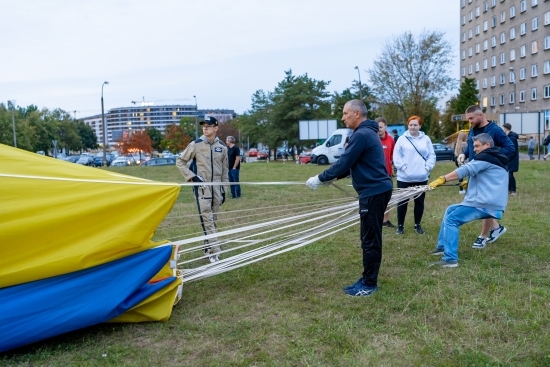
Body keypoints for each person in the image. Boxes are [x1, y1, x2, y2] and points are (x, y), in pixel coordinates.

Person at [305, 100, 393, 297]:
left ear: (356, 113)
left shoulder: (361, 134)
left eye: (345, 114)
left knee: (370, 239)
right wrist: (335, 177)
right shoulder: (365, 133)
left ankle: (369, 284)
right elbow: (355, 163)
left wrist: (320, 177)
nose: (343, 117)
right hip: (374, 191)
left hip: (374, 192)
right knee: (368, 237)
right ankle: (367, 278)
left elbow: (344, 162)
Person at [428, 133, 509, 267]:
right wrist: (470, 183)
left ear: (487, 145)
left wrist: (443, 178)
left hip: (483, 203)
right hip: (493, 202)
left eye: (477, 146)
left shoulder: (486, 157)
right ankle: (442, 246)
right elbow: (490, 178)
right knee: (450, 210)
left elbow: (466, 169)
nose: (475, 149)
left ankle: (450, 259)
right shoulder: (496, 158)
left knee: (452, 220)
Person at [457, 105, 514, 247]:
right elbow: (473, 147)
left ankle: (483, 236)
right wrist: (465, 154)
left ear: (480, 115)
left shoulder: (495, 130)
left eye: (471, 118)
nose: (469, 121)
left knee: (485, 204)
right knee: (476, 202)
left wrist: (494, 159)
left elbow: (510, 148)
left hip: (490, 173)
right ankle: (496, 228)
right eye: (468, 119)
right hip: (476, 171)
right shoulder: (473, 129)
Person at [176, 117, 228, 263]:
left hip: (216, 189)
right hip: (202, 189)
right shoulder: (196, 145)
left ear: (216, 128)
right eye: (204, 126)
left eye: (208, 126)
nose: (205, 128)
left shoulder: (222, 147)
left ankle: (208, 247)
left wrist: (224, 190)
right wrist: (192, 177)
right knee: (207, 219)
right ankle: (214, 251)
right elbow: (180, 162)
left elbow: (225, 171)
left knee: (213, 219)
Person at [392, 115, 436, 235]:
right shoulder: (402, 139)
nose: (413, 127)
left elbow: (431, 155)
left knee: (419, 202)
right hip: (404, 177)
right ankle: (400, 226)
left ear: (420, 126)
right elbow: (397, 156)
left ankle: (417, 225)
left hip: (421, 177)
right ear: (408, 125)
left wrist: (427, 168)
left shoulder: (426, 139)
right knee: (402, 202)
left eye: (415, 125)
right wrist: (404, 168)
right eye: (411, 124)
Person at [376, 117, 396, 228]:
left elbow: (393, 155)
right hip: (375, 175)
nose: (379, 129)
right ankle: (377, 220)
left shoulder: (391, 140)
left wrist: (392, 166)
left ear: (385, 127)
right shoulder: (372, 139)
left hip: (387, 174)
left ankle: (385, 220)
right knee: (376, 199)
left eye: (381, 127)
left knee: (387, 198)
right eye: (377, 127)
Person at [502, 123, 519, 195]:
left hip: (511, 159)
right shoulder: (509, 137)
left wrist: (507, 158)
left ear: (505, 128)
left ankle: (513, 190)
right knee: (508, 174)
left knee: (510, 175)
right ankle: (509, 189)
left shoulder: (512, 138)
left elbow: (512, 150)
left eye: (503, 128)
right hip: (509, 159)